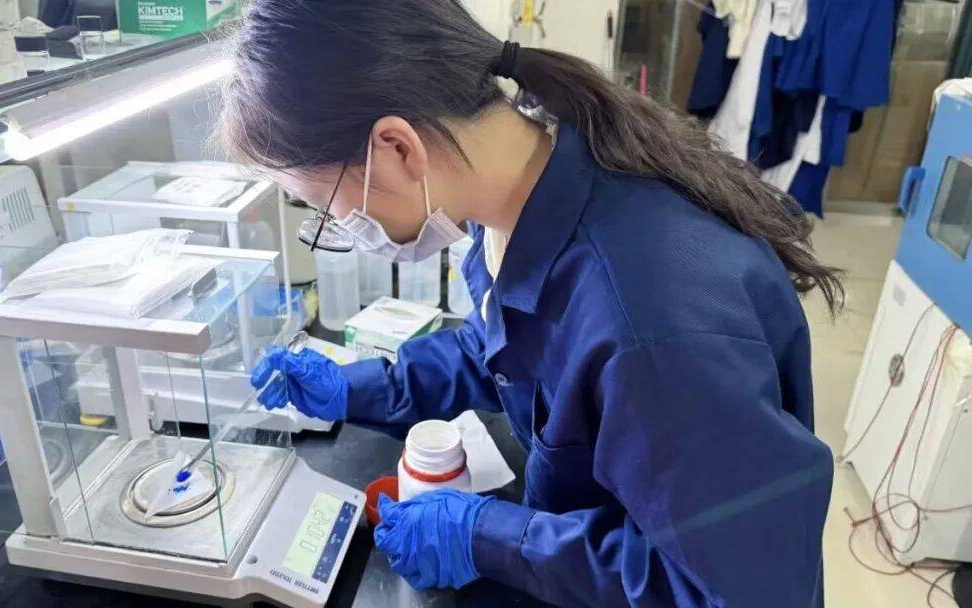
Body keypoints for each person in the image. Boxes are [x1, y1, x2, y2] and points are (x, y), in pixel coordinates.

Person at [221, 1, 839, 606]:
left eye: (324, 207)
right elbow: (508, 350)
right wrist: (359, 388)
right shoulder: (521, 195)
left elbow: (734, 592)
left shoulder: (648, 324)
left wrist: (490, 539)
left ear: (398, 148)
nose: (338, 227)